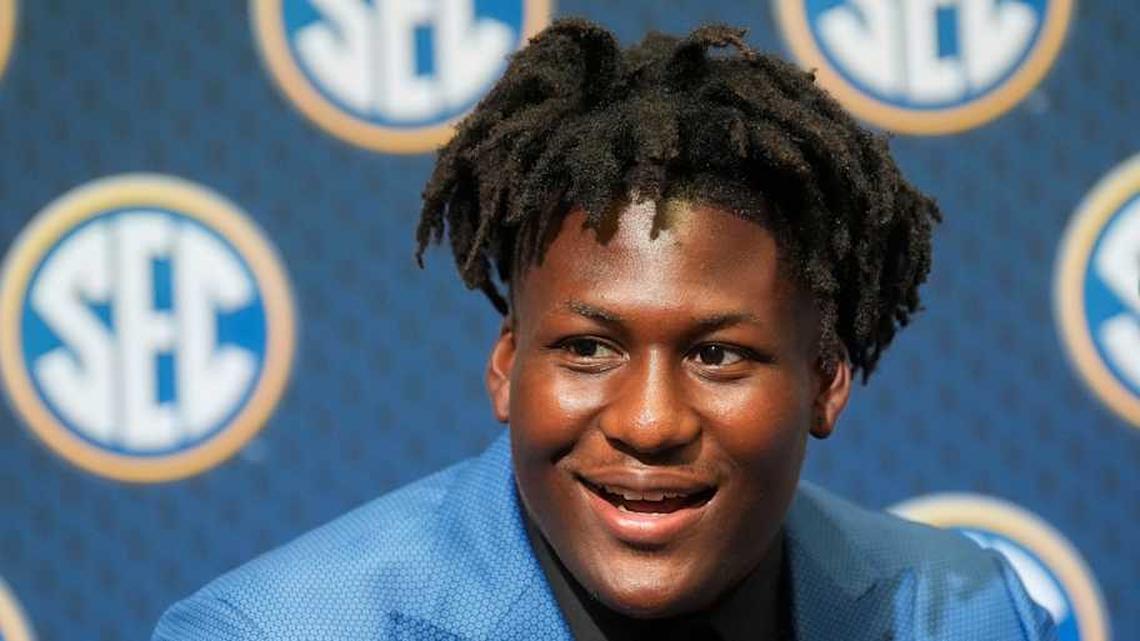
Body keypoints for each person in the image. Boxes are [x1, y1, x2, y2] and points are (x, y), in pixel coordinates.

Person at [153, 19, 1056, 641]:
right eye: (588, 347)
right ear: (506, 367)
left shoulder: (969, 612)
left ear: (825, 381)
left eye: (718, 354)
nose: (650, 420)